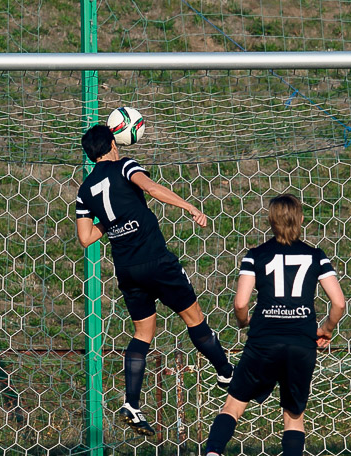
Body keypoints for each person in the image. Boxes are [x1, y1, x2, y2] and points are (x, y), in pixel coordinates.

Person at [179, 193, 346, 456]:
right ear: (301, 220)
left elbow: (241, 303)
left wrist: (244, 322)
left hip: (264, 341)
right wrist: (326, 330)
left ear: (270, 221)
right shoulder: (316, 255)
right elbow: (339, 302)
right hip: (301, 343)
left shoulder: (255, 255)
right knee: (293, 416)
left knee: (234, 405)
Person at [76, 124, 234, 437]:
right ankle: (227, 373)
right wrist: (189, 206)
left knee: (143, 332)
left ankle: (132, 403)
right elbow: (150, 188)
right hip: (157, 261)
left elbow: (85, 238)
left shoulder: (85, 189)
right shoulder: (125, 166)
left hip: (127, 269)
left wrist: (111, 221)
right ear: (112, 143)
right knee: (193, 318)